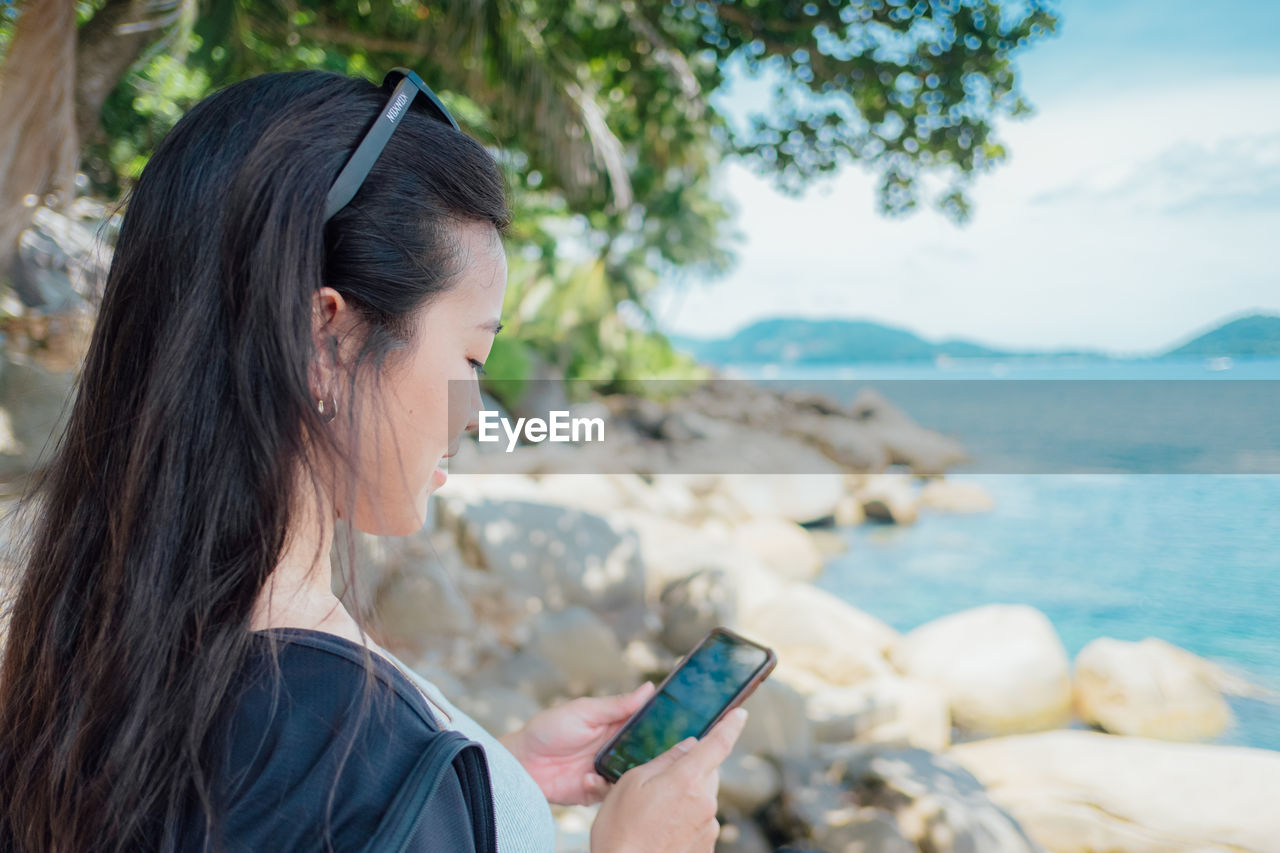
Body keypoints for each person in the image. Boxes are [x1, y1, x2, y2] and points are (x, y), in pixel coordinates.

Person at [0, 68, 747, 852]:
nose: (477, 410)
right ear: (327, 339)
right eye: (471, 355)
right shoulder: (356, 768)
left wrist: (493, 789)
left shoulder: (93, 656)